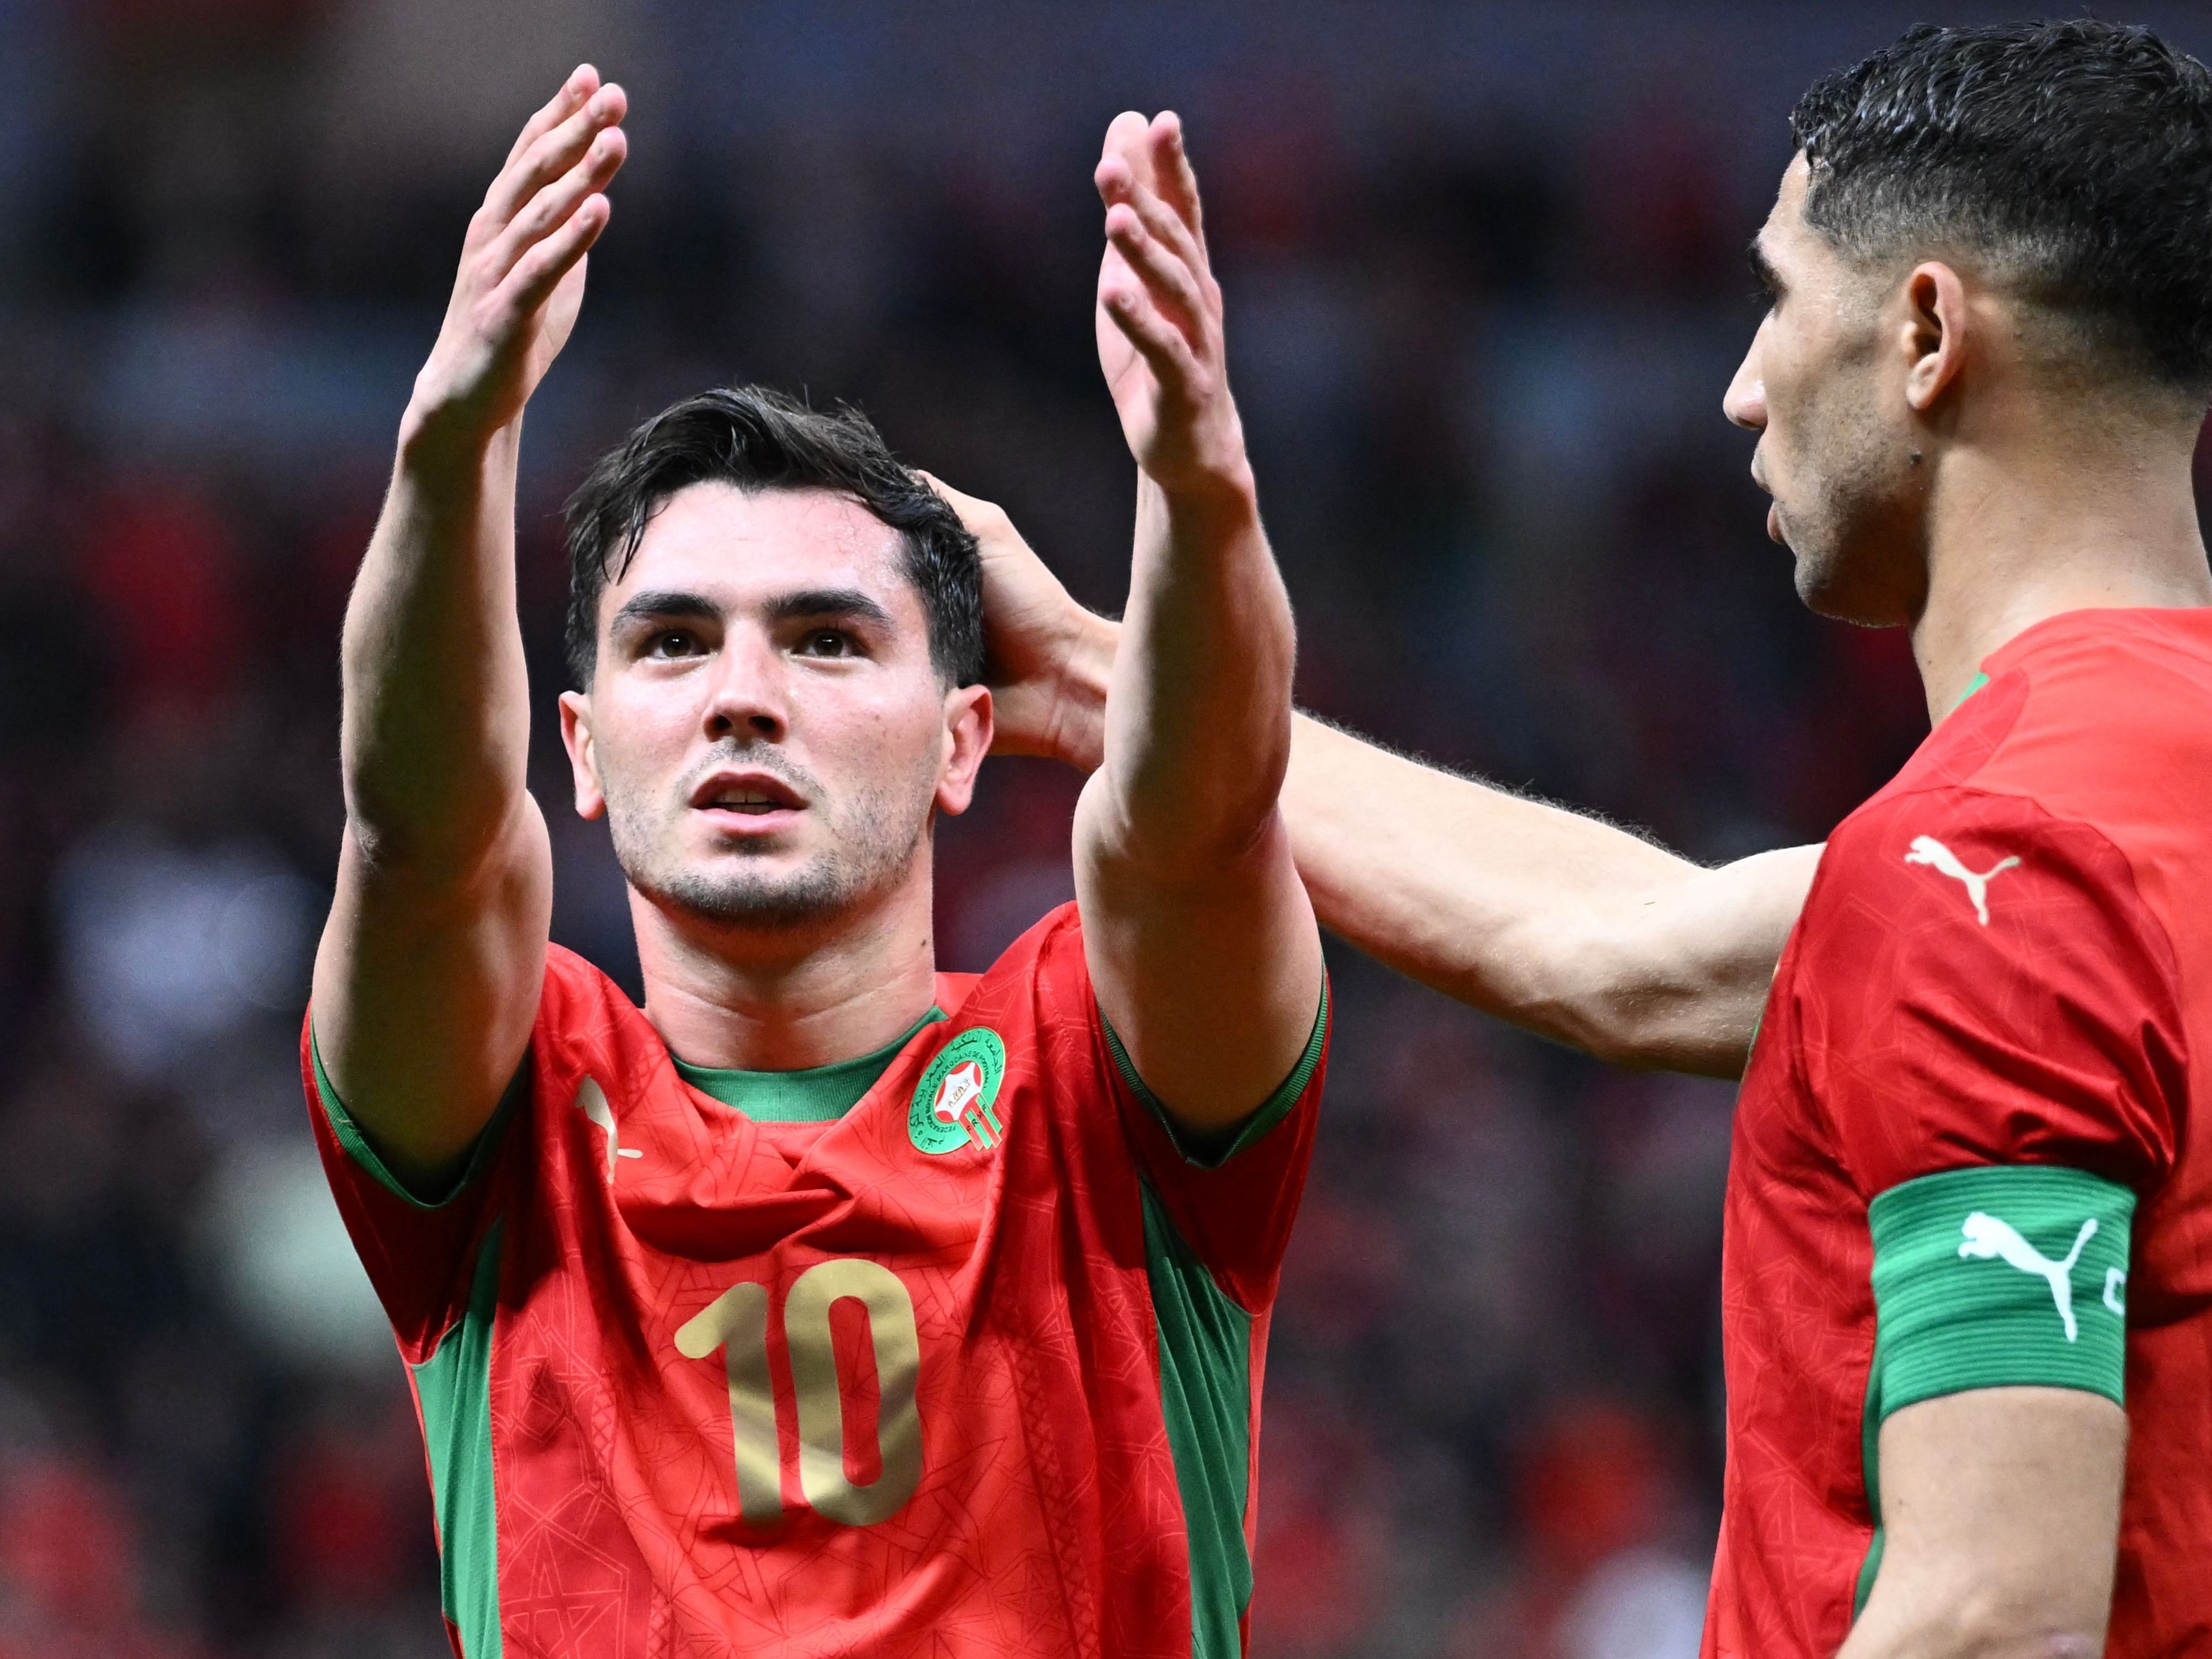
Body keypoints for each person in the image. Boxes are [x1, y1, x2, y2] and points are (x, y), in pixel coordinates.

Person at [974, 19, 2212, 1659]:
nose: (1741, 384)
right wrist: (1088, 669)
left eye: (1776, 301)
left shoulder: (1985, 870)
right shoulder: (2077, 837)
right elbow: (1613, 949)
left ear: (1924, 329)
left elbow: (1994, 1615)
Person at [304, 66, 1326, 1656]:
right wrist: (453, 446)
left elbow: (1200, 821)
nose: (742, 694)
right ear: (574, 746)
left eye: (829, 638)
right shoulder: (516, 1114)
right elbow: (417, 834)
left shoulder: (1092, 1074)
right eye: (671, 642)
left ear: (964, 737)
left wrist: (1198, 492)